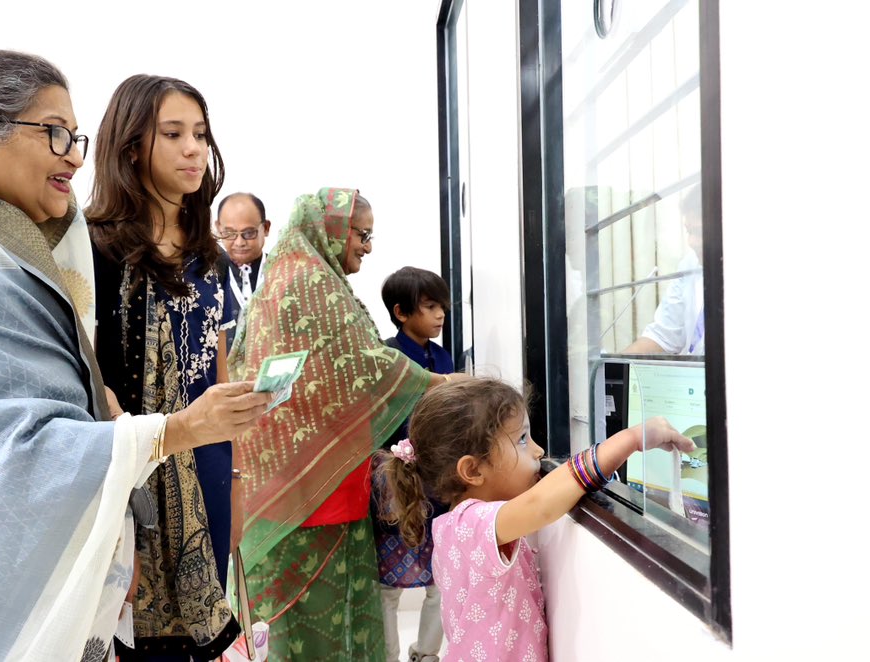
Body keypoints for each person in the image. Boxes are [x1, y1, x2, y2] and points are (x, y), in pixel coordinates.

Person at [0, 49, 270, 662]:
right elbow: (13, 450)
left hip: (173, 464)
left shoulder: (32, 256)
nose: (73, 152)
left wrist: (214, 452)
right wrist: (172, 431)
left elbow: (68, 400)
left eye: (75, 136)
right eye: (55, 133)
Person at [228, 188, 460, 661]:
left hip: (313, 478)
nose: (368, 247)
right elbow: (362, 366)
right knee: (312, 617)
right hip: (307, 492)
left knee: (313, 616)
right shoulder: (308, 283)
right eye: (362, 234)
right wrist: (443, 383)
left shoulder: (298, 278)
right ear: (332, 229)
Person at [87, 74, 248, 661]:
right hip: (127, 474)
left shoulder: (211, 254)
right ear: (132, 147)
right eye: (174, 134)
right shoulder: (95, 248)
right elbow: (84, 377)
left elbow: (220, 376)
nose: (193, 150)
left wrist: (236, 480)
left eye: (201, 135)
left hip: (208, 467)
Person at [377, 378, 694, 661]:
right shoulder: (473, 524)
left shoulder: (450, 526)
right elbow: (543, 504)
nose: (540, 451)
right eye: (523, 440)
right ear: (473, 470)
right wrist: (630, 439)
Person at [372, 266, 454, 662]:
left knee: (441, 579)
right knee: (387, 586)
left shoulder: (444, 357)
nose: (440, 314)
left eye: (442, 306)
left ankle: (426, 653)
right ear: (401, 312)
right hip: (395, 481)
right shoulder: (386, 357)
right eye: (430, 306)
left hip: (441, 483)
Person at [623, 185, 704, 355]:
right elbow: (662, 336)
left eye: (699, 231)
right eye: (689, 231)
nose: (691, 241)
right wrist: (612, 368)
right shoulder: (689, 264)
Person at [216, 191, 271, 311]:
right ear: (218, 228)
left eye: (249, 233)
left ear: (266, 228)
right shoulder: (207, 275)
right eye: (230, 233)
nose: (239, 243)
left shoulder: (283, 271)